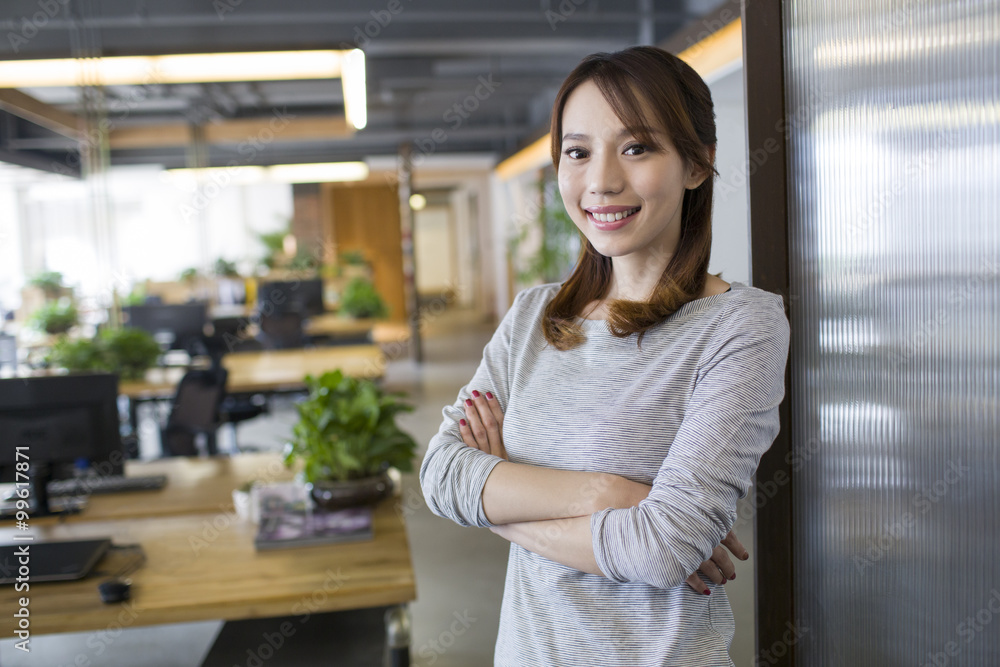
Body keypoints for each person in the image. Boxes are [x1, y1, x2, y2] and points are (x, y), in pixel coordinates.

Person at [420, 46, 790, 666]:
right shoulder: (533, 318)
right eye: (578, 151)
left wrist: (500, 506)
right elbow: (439, 475)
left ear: (698, 164)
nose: (601, 181)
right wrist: (612, 495)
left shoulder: (740, 327)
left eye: (637, 147)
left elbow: (664, 550)